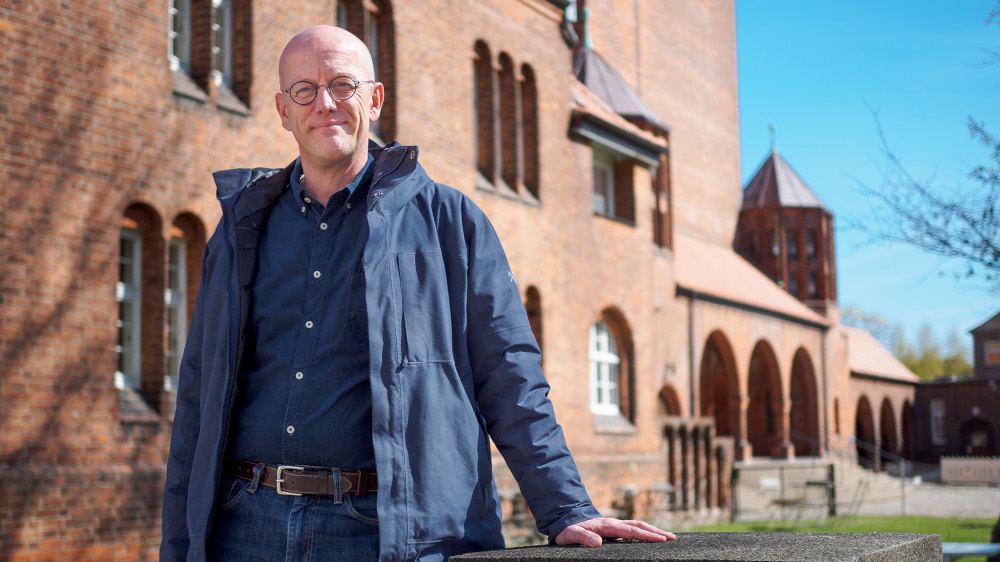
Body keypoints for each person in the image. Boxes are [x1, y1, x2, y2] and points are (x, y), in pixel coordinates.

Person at [160, 25, 675, 561]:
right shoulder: (242, 228)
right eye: (304, 90)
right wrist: (178, 544)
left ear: (375, 99)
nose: (325, 103)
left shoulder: (451, 222)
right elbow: (199, 392)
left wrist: (566, 507)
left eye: (343, 85)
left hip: (378, 531)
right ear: (282, 110)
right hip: (244, 528)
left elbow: (510, 374)